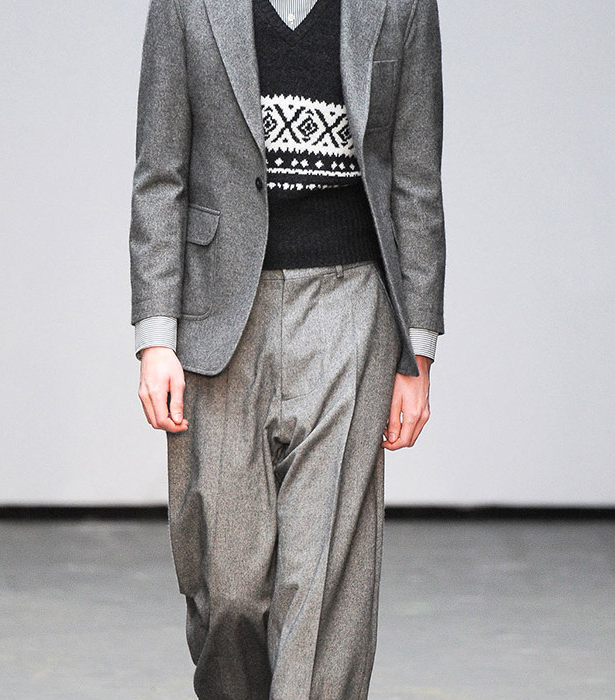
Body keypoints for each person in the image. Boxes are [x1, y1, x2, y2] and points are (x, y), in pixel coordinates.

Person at [129, 0, 445, 696]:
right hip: (220, 313)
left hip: (351, 301)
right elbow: (159, 173)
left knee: (322, 582)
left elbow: (416, 177)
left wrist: (416, 353)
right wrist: (156, 336)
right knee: (229, 590)